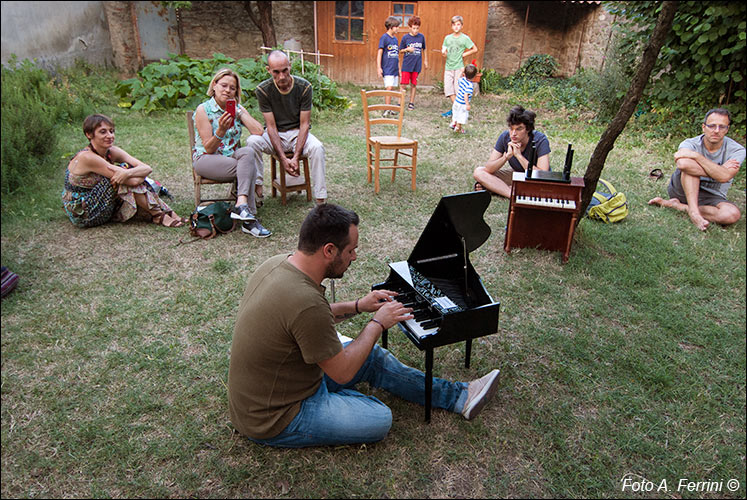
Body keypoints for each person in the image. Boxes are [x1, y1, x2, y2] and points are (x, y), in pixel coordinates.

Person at [228, 203, 501, 448]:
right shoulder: (305, 302)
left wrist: (358, 305)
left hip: (267, 391)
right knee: (379, 418)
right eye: (351, 250)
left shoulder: (278, 264)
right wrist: (376, 324)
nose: (355, 256)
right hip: (273, 416)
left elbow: (311, 318)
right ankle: (334, 404)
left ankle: (460, 396)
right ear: (329, 250)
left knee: (371, 357)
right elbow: (344, 370)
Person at [62, 114, 185, 228]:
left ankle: (164, 213)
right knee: (121, 177)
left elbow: (147, 168)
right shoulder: (87, 157)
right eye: (103, 132)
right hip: (84, 212)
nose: (110, 136)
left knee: (124, 172)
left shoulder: (111, 151)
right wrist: (129, 173)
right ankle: (159, 214)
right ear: (89, 134)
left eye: (111, 131)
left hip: (103, 202)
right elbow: (132, 181)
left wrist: (127, 173)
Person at [192, 68, 271, 238]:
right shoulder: (203, 110)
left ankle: (241, 202)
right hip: (206, 159)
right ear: (214, 86)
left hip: (232, 159)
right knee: (246, 167)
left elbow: (258, 131)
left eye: (232, 88)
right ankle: (250, 221)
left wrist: (240, 112)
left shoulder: (236, 108)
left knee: (248, 152)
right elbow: (208, 148)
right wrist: (220, 130)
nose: (227, 90)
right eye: (223, 85)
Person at [246, 51, 328, 206]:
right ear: (268, 70)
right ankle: (258, 190)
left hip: (298, 133)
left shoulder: (304, 87)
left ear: (290, 67)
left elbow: (304, 124)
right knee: (252, 142)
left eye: (285, 70)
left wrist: (296, 156)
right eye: (276, 72)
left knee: (318, 147)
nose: (282, 77)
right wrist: (283, 158)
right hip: (275, 134)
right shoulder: (263, 90)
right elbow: (270, 126)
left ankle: (321, 200)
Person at [648, 108, 744, 230]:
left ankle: (677, 206)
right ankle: (694, 213)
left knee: (732, 215)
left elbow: (725, 177)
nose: (716, 131)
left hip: (712, 196)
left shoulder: (737, 150)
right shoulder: (690, 143)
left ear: (727, 129)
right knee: (690, 168)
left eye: (722, 127)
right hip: (683, 189)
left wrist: (696, 157)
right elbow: (683, 164)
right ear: (704, 127)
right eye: (712, 126)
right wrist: (720, 171)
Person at [473, 105, 551, 198]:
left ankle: (498, 188)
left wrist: (519, 156)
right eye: (511, 128)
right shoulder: (505, 137)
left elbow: (543, 175)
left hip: (535, 179)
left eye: (519, 129)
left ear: (528, 129)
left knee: (543, 186)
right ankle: (511, 194)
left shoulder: (540, 140)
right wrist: (506, 157)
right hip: (517, 175)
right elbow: (489, 168)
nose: (513, 134)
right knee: (479, 172)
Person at [440, 15, 478, 118]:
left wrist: (464, 54)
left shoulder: (465, 38)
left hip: (459, 67)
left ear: (461, 26)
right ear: (451, 26)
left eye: (458, 24)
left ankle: (457, 110)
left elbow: (475, 49)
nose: (456, 27)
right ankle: (456, 109)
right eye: (454, 25)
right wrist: (444, 53)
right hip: (448, 67)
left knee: (458, 90)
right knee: (448, 90)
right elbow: (445, 51)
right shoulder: (447, 38)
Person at [399, 15, 427, 111]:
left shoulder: (421, 37)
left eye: (417, 28)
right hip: (407, 65)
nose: (415, 30)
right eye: (414, 28)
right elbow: (400, 50)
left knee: (414, 84)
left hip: (417, 65)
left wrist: (426, 61)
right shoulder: (405, 37)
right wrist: (407, 49)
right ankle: (400, 102)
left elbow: (424, 49)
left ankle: (411, 103)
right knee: (403, 84)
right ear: (410, 27)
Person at [377, 16, 401, 113]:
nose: (398, 28)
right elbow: (379, 53)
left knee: (392, 88)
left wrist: (399, 69)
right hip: (387, 67)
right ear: (391, 27)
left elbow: (396, 55)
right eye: (397, 26)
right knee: (389, 87)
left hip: (394, 67)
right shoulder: (384, 38)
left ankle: (389, 107)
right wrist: (379, 67)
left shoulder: (395, 39)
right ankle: (386, 109)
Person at [449, 64, 479, 134]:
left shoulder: (462, 80)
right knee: (462, 116)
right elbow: (466, 95)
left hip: (456, 101)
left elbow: (458, 79)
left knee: (456, 113)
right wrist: (467, 104)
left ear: (464, 74)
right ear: (474, 76)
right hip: (462, 104)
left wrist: (461, 72)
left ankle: (454, 123)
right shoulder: (470, 85)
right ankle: (458, 129)